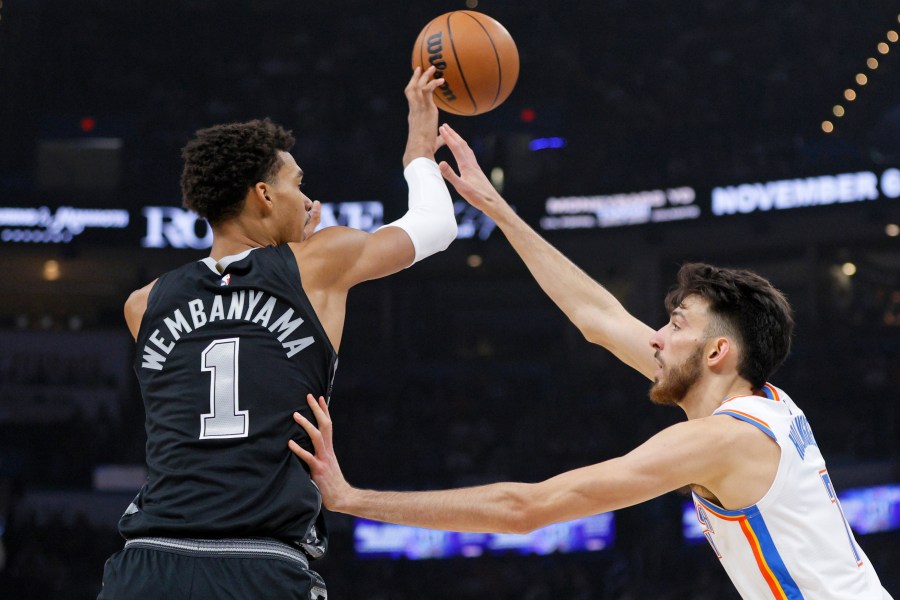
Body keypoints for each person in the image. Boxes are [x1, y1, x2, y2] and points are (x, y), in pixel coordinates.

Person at [290, 123, 893, 599]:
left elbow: (525, 509)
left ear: (717, 352)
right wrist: (498, 209)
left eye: (674, 325)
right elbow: (598, 320)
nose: (655, 337)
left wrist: (353, 499)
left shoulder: (720, 440)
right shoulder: (763, 401)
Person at [97, 66, 457, 600]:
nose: (307, 198)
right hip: (258, 561)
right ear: (264, 194)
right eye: (297, 183)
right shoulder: (320, 262)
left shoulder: (142, 304)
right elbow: (438, 225)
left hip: (147, 565)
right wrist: (419, 150)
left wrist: (296, 252)